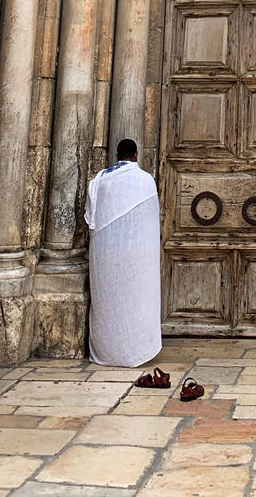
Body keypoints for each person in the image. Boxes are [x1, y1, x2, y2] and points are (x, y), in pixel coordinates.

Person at [84, 138, 162, 367]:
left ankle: (109, 350)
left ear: (117, 155)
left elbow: (91, 217)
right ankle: (137, 349)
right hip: (138, 253)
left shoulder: (100, 181)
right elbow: (149, 222)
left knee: (110, 297)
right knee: (136, 298)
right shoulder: (146, 180)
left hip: (106, 251)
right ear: (136, 155)